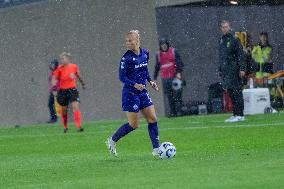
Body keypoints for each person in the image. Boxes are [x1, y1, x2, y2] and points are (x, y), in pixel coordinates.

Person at [106, 30, 160, 157]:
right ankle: (112, 140)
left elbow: (145, 69)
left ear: (137, 40)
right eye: (127, 41)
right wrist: (134, 84)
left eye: (130, 40)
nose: (128, 43)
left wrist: (150, 81)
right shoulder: (127, 58)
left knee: (152, 119)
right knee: (134, 125)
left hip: (143, 92)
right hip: (130, 94)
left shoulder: (145, 53)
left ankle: (157, 149)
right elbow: (122, 77)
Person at [218, 20, 246, 123]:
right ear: (221, 29)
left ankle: (240, 114)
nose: (225, 29)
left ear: (229, 27)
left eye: (226, 27)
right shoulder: (221, 40)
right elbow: (221, 57)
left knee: (237, 92)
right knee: (230, 93)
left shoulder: (234, 39)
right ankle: (235, 114)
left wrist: (242, 68)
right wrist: (220, 69)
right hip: (226, 71)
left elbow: (241, 54)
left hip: (234, 70)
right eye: (223, 27)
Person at [52, 52, 86, 133]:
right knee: (64, 110)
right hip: (63, 91)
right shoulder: (59, 68)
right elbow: (54, 78)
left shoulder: (74, 66)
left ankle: (79, 126)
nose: (62, 60)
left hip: (72, 90)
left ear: (68, 59)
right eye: (61, 59)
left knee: (75, 107)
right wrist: (54, 89)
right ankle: (65, 127)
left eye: (63, 58)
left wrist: (83, 84)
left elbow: (79, 76)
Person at [153, 38, 184, 117]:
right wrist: (155, 78)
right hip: (165, 78)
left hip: (174, 77)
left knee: (177, 95)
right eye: (162, 45)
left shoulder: (173, 51)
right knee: (169, 96)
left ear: (167, 44)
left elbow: (179, 62)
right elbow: (157, 66)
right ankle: (173, 112)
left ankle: (179, 111)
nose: (164, 47)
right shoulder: (158, 55)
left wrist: (178, 72)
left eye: (165, 45)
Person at [47, 59, 59, 123]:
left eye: (53, 64)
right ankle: (54, 118)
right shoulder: (53, 72)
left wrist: (55, 89)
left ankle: (54, 118)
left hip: (57, 90)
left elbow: (56, 81)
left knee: (53, 104)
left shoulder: (57, 71)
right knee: (51, 104)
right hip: (53, 90)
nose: (51, 66)